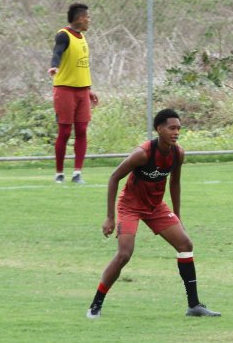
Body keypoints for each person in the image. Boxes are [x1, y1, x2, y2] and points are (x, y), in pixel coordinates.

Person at [87, 108, 219, 319]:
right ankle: (96, 304)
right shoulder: (143, 153)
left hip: (156, 207)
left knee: (185, 245)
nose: (176, 132)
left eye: (178, 128)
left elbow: (175, 183)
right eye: (171, 128)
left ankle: (194, 305)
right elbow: (114, 177)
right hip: (130, 206)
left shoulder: (178, 153)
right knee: (124, 254)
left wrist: (177, 216)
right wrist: (110, 217)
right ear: (159, 129)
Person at [47, 3, 99, 185]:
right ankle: (59, 174)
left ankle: (77, 173)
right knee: (65, 131)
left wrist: (88, 89)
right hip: (65, 90)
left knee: (82, 130)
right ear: (80, 18)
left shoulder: (82, 37)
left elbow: (81, 66)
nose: (89, 20)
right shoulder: (63, 35)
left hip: (82, 91)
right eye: (88, 17)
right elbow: (57, 52)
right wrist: (54, 66)